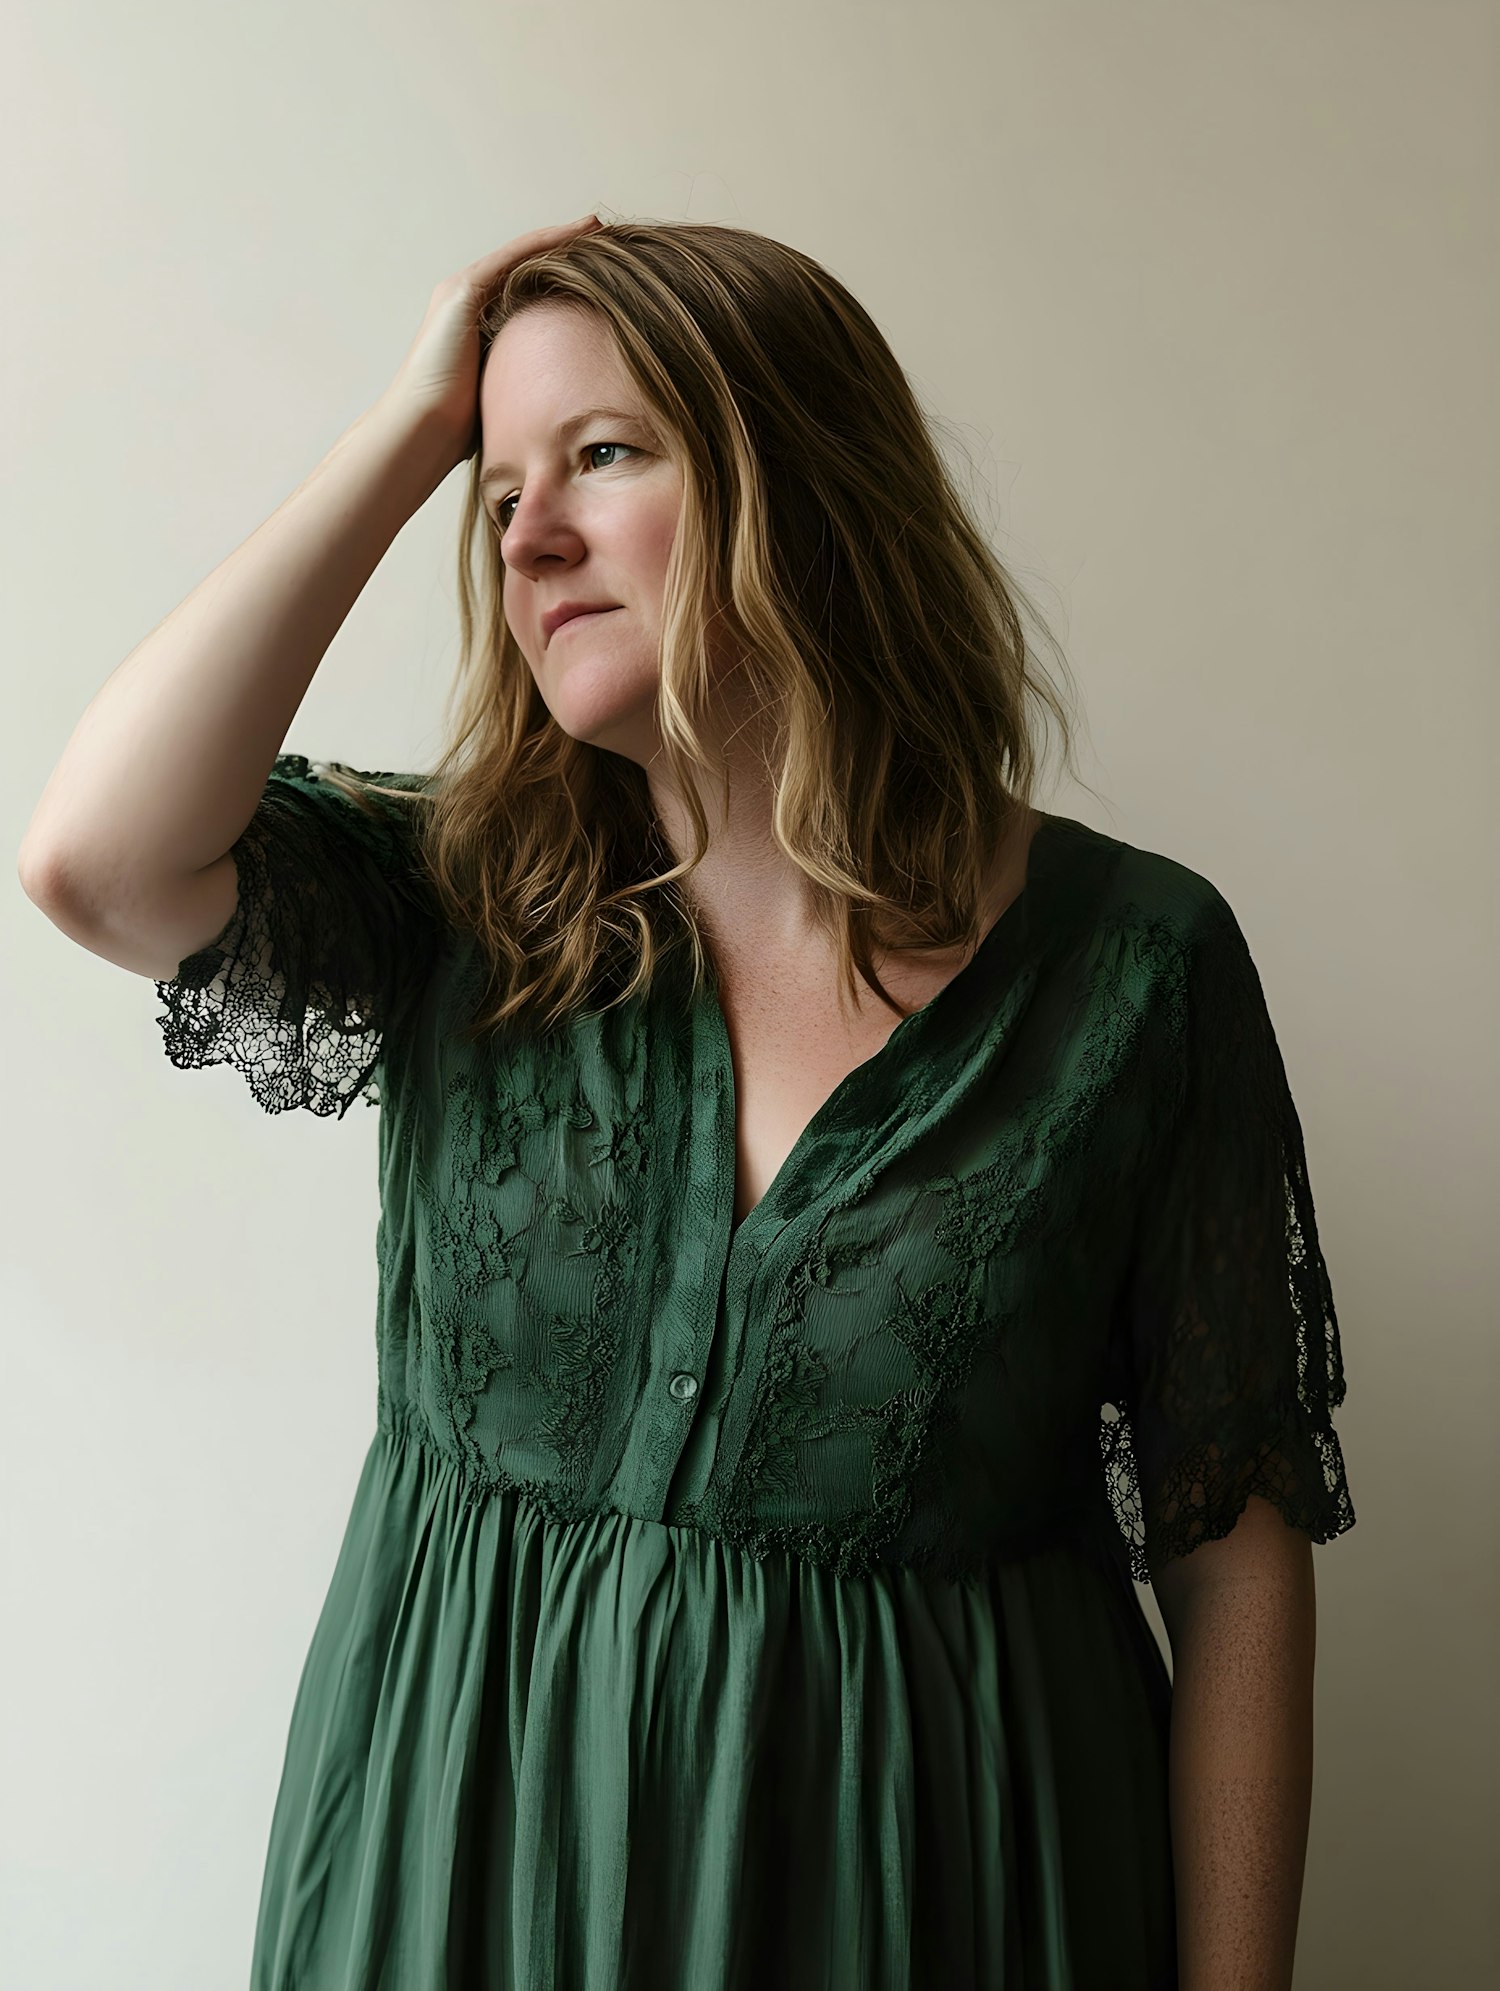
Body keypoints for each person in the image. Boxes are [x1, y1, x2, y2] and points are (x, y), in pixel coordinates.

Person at [18, 213, 1356, 1989]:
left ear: (800, 484)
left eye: (602, 455)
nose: (533, 535)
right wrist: (417, 427)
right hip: (460, 1890)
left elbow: (1231, 1552)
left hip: (927, 1903)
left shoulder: (1138, 970)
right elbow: (95, 861)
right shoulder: (460, 903)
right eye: (499, 499)